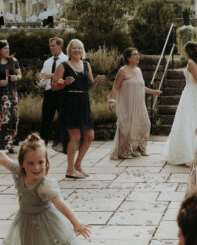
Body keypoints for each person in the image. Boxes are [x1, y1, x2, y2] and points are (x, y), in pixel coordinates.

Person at [53, 39, 105, 178]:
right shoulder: (63, 65)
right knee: (75, 137)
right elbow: (54, 86)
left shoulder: (87, 64)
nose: (77, 50)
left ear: (82, 51)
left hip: (84, 103)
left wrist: (96, 82)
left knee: (89, 136)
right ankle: (70, 170)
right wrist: (64, 82)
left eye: (79, 48)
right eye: (74, 48)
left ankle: (78, 165)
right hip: (69, 103)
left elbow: (89, 86)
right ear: (69, 51)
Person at [109, 47, 161, 160]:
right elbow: (115, 87)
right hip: (127, 104)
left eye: (138, 54)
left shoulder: (139, 70)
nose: (138, 56)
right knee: (127, 128)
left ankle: (139, 148)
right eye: (134, 54)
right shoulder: (123, 71)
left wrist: (154, 92)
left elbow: (141, 87)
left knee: (145, 124)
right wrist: (112, 101)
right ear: (128, 58)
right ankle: (124, 151)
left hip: (139, 104)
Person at [164, 41, 197, 166]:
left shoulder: (191, 63)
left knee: (189, 120)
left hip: (191, 93)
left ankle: (191, 153)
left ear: (188, 51)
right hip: (189, 91)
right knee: (186, 120)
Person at [36, 36, 68, 147]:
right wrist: (39, 79)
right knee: (45, 119)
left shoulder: (67, 60)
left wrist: (52, 75)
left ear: (60, 46)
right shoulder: (47, 62)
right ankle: (42, 144)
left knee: (64, 118)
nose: (51, 48)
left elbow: (67, 77)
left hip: (62, 93)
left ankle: (66, 142)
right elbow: (43, 82)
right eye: (50, 46)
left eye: (53, 45)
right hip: (49, 93)